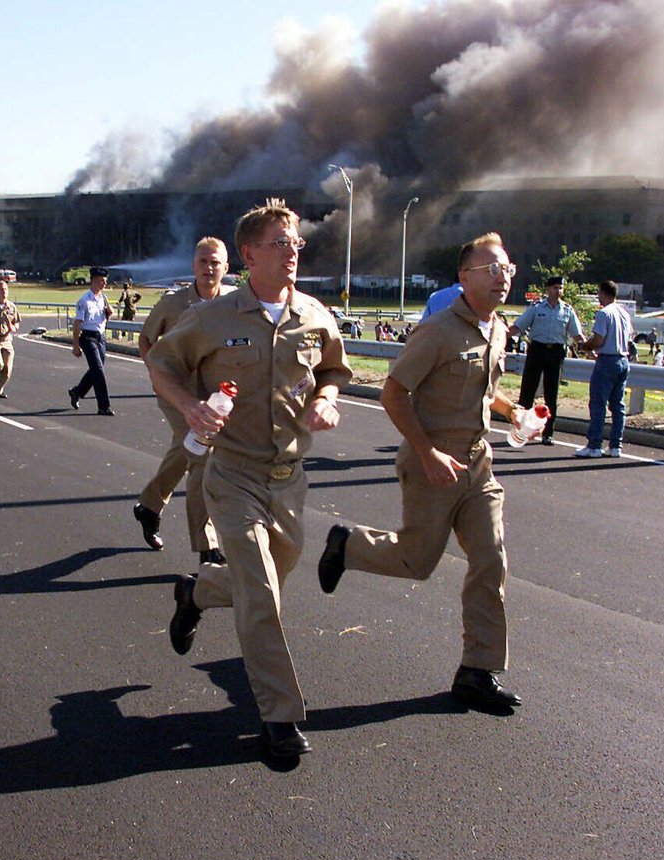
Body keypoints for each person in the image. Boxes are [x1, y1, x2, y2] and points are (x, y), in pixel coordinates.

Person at [146, 198, 351, 758]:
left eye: (296, 243)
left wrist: (328, 398)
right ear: (249, 254)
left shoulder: (313, 314)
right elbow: (161, 363)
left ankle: (195, 592)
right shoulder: (214, 317)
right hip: (233, 474)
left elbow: (334, 367)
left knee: (262, 582)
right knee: (261, 594)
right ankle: (280, 716)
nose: (292, 252)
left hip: (289, 480)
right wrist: (190, 407)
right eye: (279, 243)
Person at [316, 232, 524, 715]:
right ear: (464, 277)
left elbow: (483, 389)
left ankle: (477, 671)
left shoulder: (497, 329)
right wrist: (427, 452)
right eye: (492, 269)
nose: (503, 278)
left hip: (477, 463)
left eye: (508, 269)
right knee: (417, 562)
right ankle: (348, 545)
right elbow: (394, 393)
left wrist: (514, 412)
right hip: (432, 463)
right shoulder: (437, 330)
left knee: (490, 559)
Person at [133, 237, 233, 565]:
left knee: (185, 448)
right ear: (193, 266)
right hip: (176, 391)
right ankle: (207, 547)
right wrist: (156, 373)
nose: (209, 268)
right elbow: (146, 338)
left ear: (226, 268)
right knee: (202, 454)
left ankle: (149, 506)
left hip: (213, 395)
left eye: (215, 263)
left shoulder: (233, 303)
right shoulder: (173, 303)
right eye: (203, 261)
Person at [508, 275, 583, 445]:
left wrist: (591, 351)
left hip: (556, 352)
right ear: (548, 289)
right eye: (555, 288)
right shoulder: (537, 308)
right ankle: (521, 430)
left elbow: (577, 335)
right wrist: (499, 336)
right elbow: (518, 326)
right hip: (537, 350)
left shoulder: (567, 310)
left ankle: (548, 433)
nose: (558, 291)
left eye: (560, 288)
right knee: (527, 392)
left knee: (551, 395)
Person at [575, 280, 633, 459]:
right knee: (618, 405)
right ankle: (615, 445)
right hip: (623, 359)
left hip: (607, 360)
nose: (598, 297)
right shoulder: (624, 313)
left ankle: (594, 445)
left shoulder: (604, 313)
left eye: (598, 293)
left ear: (604, 293)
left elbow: (599, 340)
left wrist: (585, 346)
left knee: (598, 404)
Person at [67, 267, 115, 416]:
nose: (104, 284)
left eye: (105, 281)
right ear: (93, 281)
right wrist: (75, 346)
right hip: (88, 337)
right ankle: (104, 406)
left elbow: (103, 317)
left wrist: (109, 313)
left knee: (96, 369)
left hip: (101, 337)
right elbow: (77, 324)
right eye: (101, 281)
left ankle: (77, 391)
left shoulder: (103, 298)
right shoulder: (84, 300)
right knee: (98, 371)